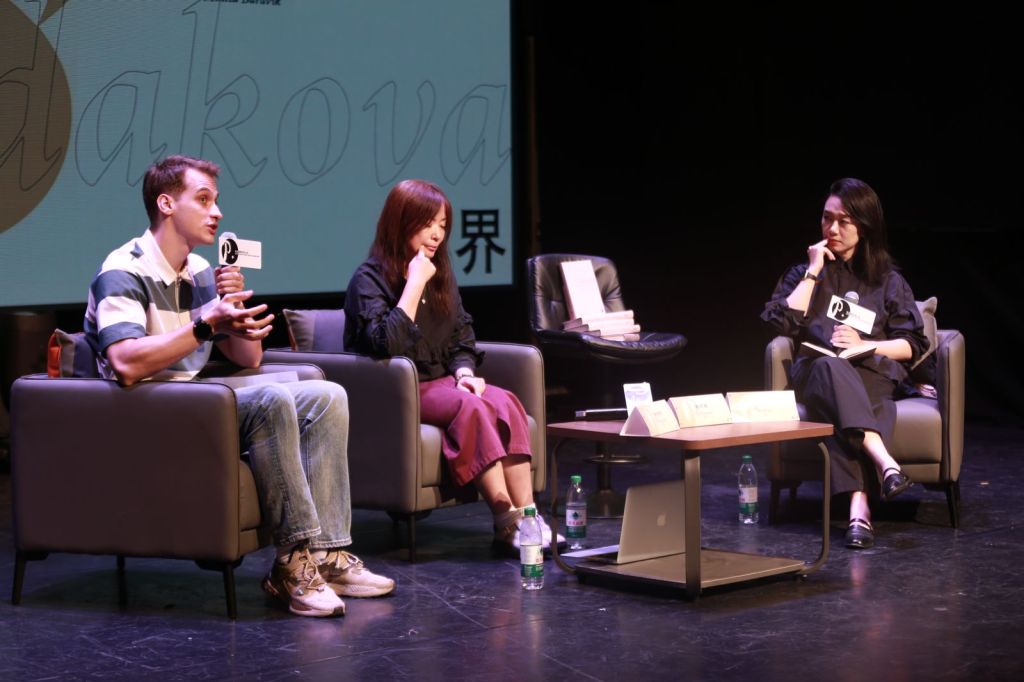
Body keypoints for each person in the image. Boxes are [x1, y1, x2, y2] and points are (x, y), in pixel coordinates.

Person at [84, 155, 394, 617]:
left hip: (192, 401)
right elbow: (126, 363)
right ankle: (293, 562)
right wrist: (206, 324)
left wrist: (229, 303)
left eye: (216, 201)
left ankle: (327, 554)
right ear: (166, 204)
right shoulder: (123, 268)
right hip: (143, 408)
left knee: (326, 396)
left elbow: (248, 358)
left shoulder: (198, 270)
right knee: (268, 399)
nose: (217, 212)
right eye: (203, 200)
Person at [343, 179, 563, 554]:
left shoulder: (441, 275)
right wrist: (414, 283)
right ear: (401, 221)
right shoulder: (368, 279)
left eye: (442, 225)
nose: (437, 234)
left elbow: (463, 335)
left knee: (505, 401)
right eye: (428, 223)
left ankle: (529, 515)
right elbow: (388, 345)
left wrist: (464, 373)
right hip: (398, 390)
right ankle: (505, 519)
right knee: (471, 407)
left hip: (441, 382)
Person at [761, 177, 929, 549]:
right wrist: (813, 270)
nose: (832, 229)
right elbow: (781, 322)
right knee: (831, 367)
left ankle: (858, 509)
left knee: (861, 396)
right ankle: (885, 462)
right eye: (827, 218)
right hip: (816, 371)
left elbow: (912, 344)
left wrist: (866, 345)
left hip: (869, 372)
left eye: (844, 221)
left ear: (864, 227)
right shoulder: (805, 273)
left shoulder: (888, 281)